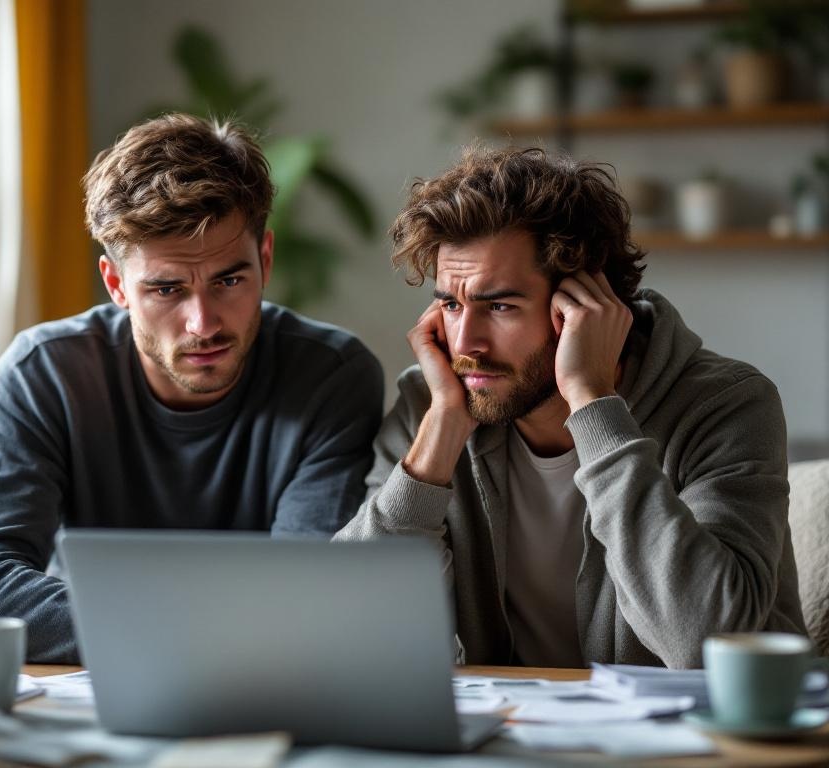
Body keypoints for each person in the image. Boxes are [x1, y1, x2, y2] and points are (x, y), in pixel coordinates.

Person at [0, 114, 384, 663]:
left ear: (264, 259)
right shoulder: (45, 374)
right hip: (91, 689)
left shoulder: (330, 376)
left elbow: (304, 598)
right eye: (167, 289)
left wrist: (138, 627)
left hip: (250, 685)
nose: (204, 323)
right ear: (117, 284)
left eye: (229, 280)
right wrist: (184, 630)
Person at [336, 146, 805, 669]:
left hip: (685, 746)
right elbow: (342, 629)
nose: (465, 341)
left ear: (584, 304)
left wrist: (593, 403)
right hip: (508, 742)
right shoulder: (433, 402)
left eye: (500, 306)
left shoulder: (726, 405)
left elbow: (710, 648)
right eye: (451, 304)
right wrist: (440, 435)